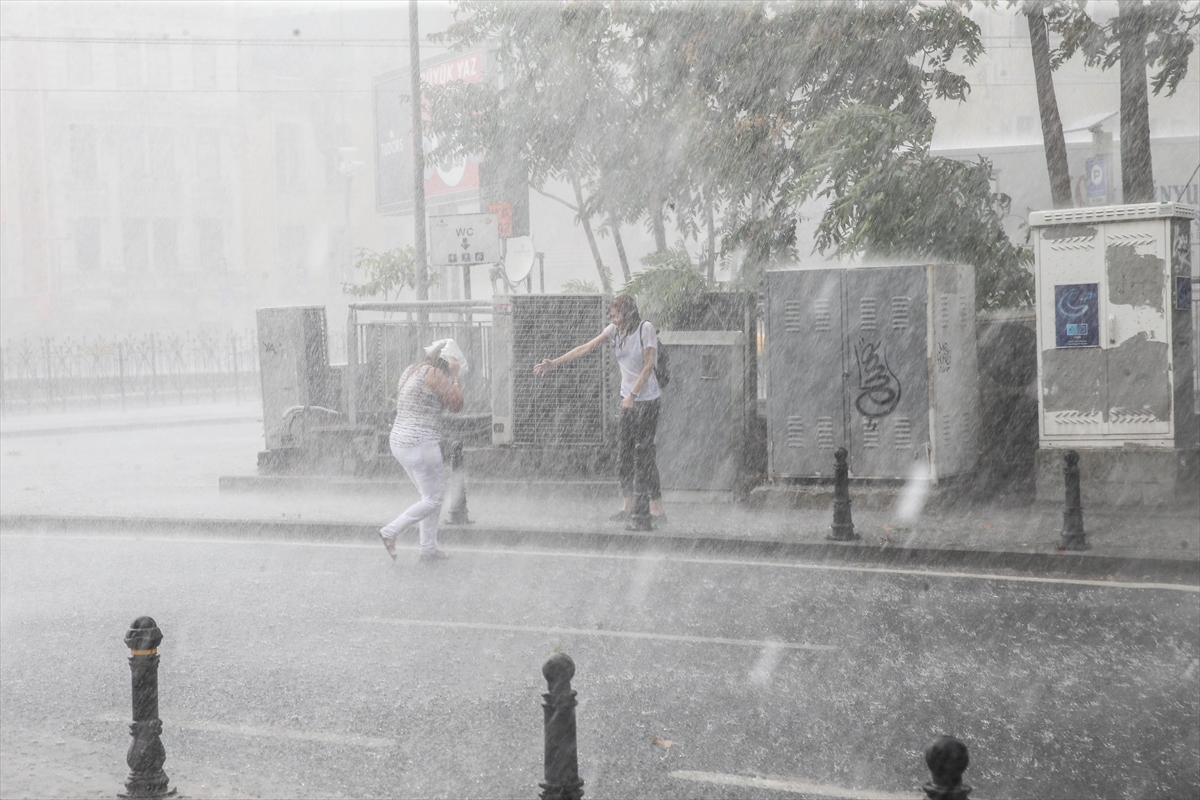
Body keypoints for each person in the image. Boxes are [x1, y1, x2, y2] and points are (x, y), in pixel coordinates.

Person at [533, 294, 665, 524]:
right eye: (611, 317)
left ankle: (656, 508)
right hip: (628, 399)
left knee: (645, 453)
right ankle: (628, 505)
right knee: (625, 453)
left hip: (647, 400)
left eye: (616, 316)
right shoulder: (615, 331)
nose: (613, 321)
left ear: (628, 314)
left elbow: (648, 366)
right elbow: (586, 347)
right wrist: (554, 363)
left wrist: (634, 395)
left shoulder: (645, 329)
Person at [379, 339, 465, 562]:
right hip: (420, 443)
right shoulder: (435, 374)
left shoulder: (411, 370)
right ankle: (390, 531)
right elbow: (456, 404)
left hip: (399, 441)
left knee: (429, 496)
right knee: (434, 499)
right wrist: (455, 377)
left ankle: (428, 549)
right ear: (447, 362)